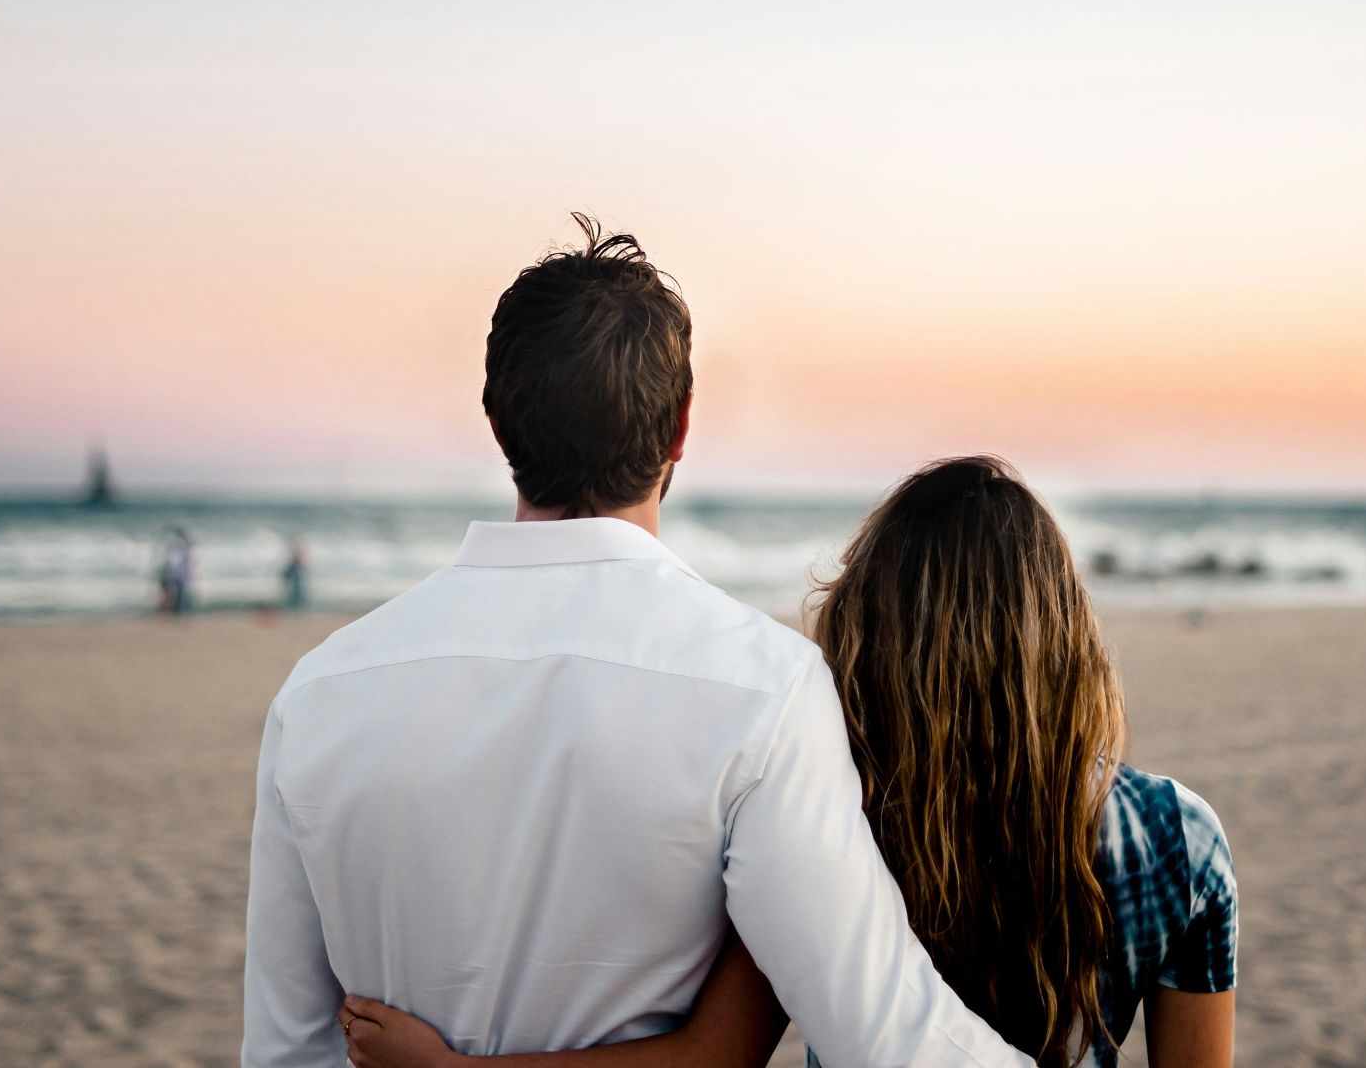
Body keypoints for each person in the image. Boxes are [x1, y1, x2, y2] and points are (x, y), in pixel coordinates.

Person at [242, 218, 1034, 1068]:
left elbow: (288, 1050)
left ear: (499, 422)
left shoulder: (323, 691)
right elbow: (885, 1034)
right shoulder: (762, 688)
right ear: (681, 426)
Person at [340, 456, 1238, 1068]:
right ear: (1063, 636)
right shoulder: (1180, 840)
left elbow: (712, 1058)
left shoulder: (830, 809)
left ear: (874, 633)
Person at [156, 526, 193, 615]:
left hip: (176, 574)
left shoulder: (178, 549)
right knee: (173, 594)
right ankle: (174, 611)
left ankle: (175, 611)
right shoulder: (176, 549)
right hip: (175, 574)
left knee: (175, 594)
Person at [280, 536, 308, 610]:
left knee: (297, 592)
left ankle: (296, 607)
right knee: (296, 592)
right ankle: (296, 607)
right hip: (295, 580)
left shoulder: (296, 564)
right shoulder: (294, 564)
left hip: (296, 581)